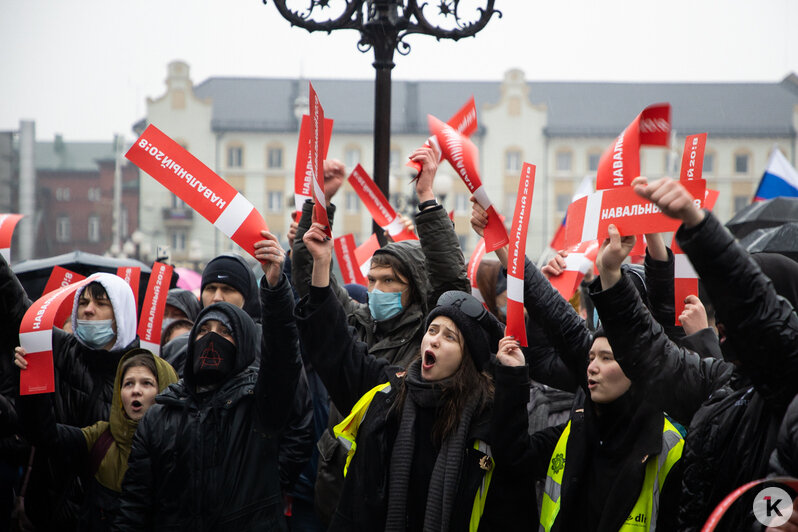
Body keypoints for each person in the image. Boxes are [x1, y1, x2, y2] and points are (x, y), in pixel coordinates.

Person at [586, 176, 798, 530]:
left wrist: (697, 225)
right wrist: (610, 275)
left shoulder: (787, 391)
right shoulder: (725, 386)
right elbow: (653, 357)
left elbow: (758, 311)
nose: (724, 323)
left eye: (734, 310)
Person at [296, 220, 523, 530]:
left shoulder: (485, 418)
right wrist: (322, 264)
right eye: (432, 330)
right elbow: (335, 348)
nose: (434, 340)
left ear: (467, 357)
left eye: (449, 337)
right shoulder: (390, 392)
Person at [115, 232, 306, 531]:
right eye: (205, 332)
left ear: (242, 343)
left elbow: (284, 356)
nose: (213, 339)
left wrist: (276, 287)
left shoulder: (256, 405)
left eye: (225, 332)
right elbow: (135, 502)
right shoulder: (161, 414)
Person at [14, 348, 178, 531]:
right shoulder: (101, 438)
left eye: (146, 383)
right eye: (128, 384)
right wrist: (33, 380)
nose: (136, 391)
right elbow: (44, 435)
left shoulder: (182, 446)